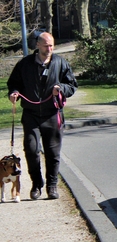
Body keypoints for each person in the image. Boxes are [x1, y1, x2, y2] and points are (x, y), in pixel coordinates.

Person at [7, 32, 78, 200]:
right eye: (46, 45)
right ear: (37, 45)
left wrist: (60, 88)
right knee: (31, 150)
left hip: (52, 114)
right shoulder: (25, 64)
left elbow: (72, 85)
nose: (49, 49)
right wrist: (14, 92)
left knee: (53, 153)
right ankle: (36, 184)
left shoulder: (60, 63)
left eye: (52, 45)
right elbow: (13, 83)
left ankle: (52, 186)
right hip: (31, 114)